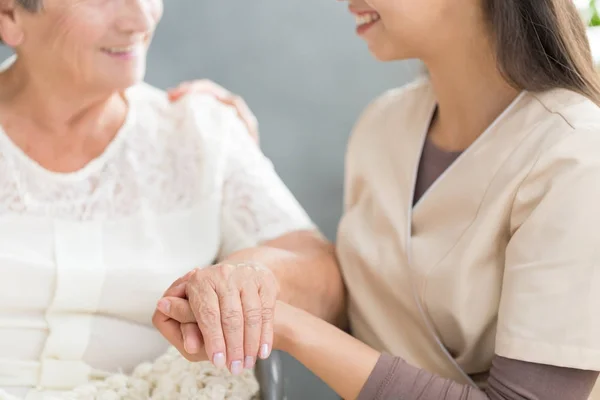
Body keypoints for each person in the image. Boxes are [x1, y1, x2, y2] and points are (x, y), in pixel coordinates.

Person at [155, 0, 600, 399]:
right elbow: (365, 309)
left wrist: (283, 322)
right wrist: (249, 275)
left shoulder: (577, 154)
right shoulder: (384, 124)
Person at [0, 0, 337, 398]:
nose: (141, 19)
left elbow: (323, 279)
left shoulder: (199, 129)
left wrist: (252, 276)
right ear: (10, 16)